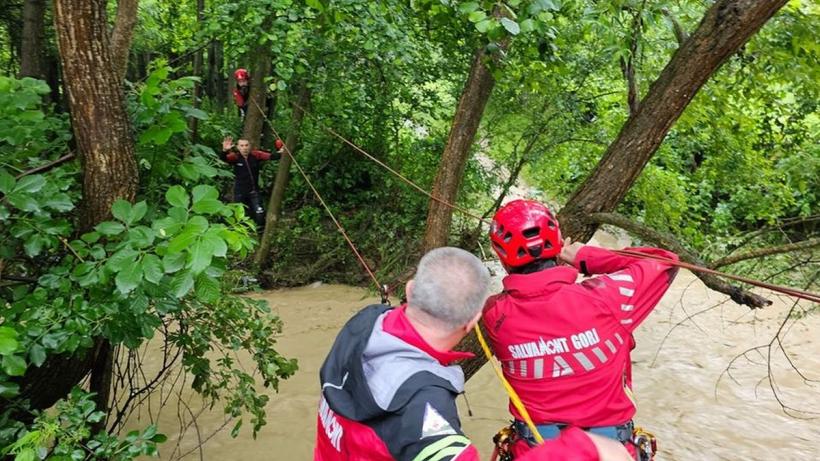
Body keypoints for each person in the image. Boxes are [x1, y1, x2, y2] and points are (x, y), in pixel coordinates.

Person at [314, 246, 633, 460]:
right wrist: (584, 447)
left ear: (410, 289)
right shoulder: (425, 415)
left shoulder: (362, 326)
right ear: (474, 322)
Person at [481, 199, 679, 459]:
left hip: (534, 452)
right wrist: (584, 257)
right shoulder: (609, 298)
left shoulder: (495, 315)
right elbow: (665, 262)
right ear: (558, 239)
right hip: (611, 452)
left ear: (500, 253)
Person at [220, 136, 284, 228]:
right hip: (240, 193)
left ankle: (260, 235)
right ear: (238, 147)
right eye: (242, 146)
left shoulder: (256, 155)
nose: (244, 148)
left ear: (249, 146)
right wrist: (224, 150)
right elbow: (224, 158)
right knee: (242, 217)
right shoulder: (235, 157)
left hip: (254, 192)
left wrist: (282, 152)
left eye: (246, 145)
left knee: (260, 215)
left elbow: (271, 156)